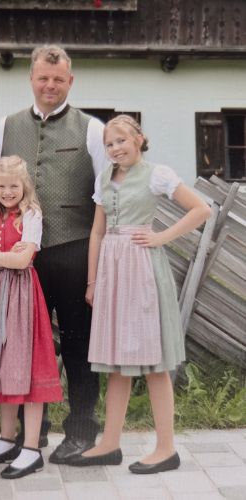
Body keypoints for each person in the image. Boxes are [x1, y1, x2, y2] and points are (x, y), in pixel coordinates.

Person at [72, 114, 211, 473]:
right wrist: (92, 282)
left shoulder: (156, 174)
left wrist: (161, 237)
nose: (115, 148)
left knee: (154, 362)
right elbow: (97, 233)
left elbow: (202, 209)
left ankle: (166, 449)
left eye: (121, 140)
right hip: (112, 273)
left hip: (143, 270)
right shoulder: (104, 178)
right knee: (116, 363)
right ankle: (110, 443)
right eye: (109, 143)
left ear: (138, 139)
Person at [0, 45, 106, 463]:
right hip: (23, 257)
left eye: (58, 79)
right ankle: (29, 433)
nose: (50, 85)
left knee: (78, 346)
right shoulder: (6, 126)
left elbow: (105, 198)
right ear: (32, 79)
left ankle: (82, 431)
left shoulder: (92, 129)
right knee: (22, 346)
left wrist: (97, 269)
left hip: (74, 250)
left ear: (70, 81)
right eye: (43, 78)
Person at [0, 156, 63, 479]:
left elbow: (23, 262)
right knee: (3, 365)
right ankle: (7, 440)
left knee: (27, 366)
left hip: (22, 296)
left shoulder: (31, 215)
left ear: (25, 186)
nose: (7, 192)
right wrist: (6, 257)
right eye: (1, 187)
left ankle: (31, 448)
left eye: (13, 186)